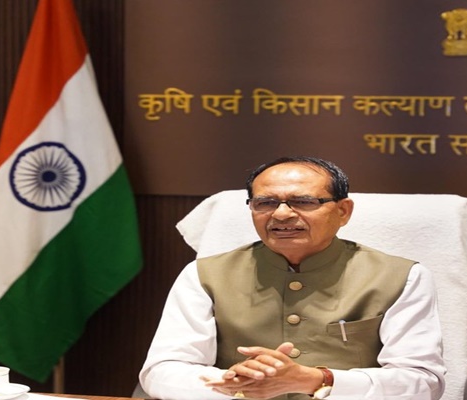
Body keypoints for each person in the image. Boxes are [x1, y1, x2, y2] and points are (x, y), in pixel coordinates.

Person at [139, 156, 446, 400]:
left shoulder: (402, 277)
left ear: (343, 211)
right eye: (265, 202)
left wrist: (318, 380)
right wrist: (237, 384)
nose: (282, 214)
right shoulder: (204, 274)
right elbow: (162, 370)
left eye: (303, 201)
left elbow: (423, 382)